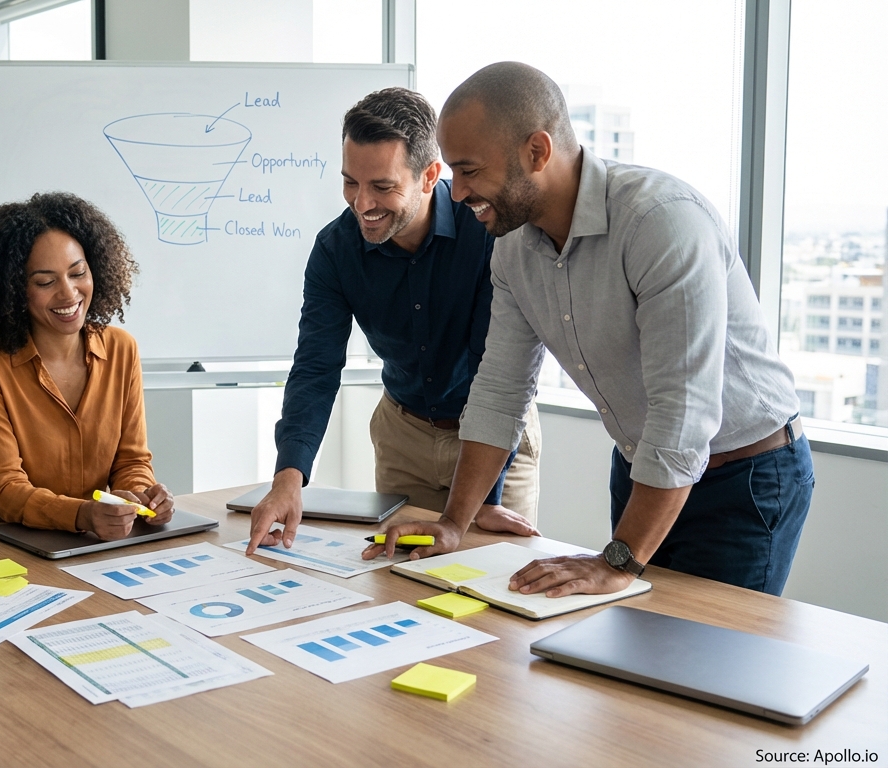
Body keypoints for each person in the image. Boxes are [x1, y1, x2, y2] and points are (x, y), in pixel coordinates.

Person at [367, 62, 812, 598]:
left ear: (537, 151)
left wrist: (618, 561)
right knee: (632, 651)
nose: (457, 193)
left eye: (470, 171)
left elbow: (683, 414)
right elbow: (500, 390)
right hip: (642, 466)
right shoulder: (512, 249)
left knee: (709, 664)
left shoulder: (661, 222)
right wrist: (453, 524)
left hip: (744, 476)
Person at [245, 87, 542, 556]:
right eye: (350, 183)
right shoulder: (334, 251)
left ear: (429, 176)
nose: (362, 204)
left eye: (382, 186)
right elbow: (316, 368)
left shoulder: (488, 234)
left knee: (489, 584)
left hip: (493, 443)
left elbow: (499, 376)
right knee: (398, 579)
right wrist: (289, 477)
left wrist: (480, 499)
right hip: (404, 437)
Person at [0, 191, 174, 539]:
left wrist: (142, 496)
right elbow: (4, 487)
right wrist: (82, 514)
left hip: (91, 530)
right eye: (45, 282)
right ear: (12, 290)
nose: (69, 294)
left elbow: (131, 462)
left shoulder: (121, 349)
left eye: (77, 273)